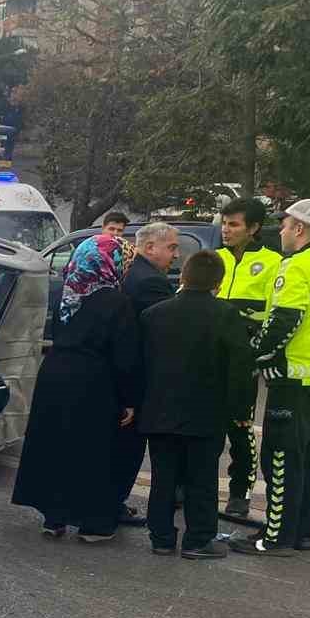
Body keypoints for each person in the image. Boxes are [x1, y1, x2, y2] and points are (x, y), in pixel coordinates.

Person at [229, 199, 310, 556]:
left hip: (295, 378)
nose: (282, 231)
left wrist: (255, 353)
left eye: (285, 225)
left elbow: (285, 321)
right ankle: (301, 532)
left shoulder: (298, 266)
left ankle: (275, 537)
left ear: (300, 229)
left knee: (281, 459)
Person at [13, 231, 140, 541]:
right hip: (94, 381)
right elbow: (125, 354)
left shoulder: (68, 295)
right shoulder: (117, 301)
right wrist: (130, 398)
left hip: (55, 374)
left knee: (57, 446)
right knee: (93, 451)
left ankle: (53, 517)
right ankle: (92, 523)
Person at [138, 251, 255, 559]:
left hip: (160, 411)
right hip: (207, 414)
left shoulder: (154, 314)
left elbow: (142, 364)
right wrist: (241, 412)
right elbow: (240, 369)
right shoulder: (227, 315)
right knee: (201, 479)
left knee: (163, 477)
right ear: (218, 282)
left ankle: (161, 537)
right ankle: (198, 539)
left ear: (183, 277)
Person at [216, 197, 283, 519]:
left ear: (254, 228)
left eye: (233, 225)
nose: (225, 230)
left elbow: (273, 315)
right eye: (224, 223)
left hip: (242, 363)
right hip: (206, 361)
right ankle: (189, 486)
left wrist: (252, 347)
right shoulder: (213, 259)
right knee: (202, 425)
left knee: (240, 428)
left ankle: (240, 493)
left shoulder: (274, 263)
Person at [111, 222, 182, 526]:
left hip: (121, 373)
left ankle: (111, 500)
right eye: (172, 248)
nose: (176, 255)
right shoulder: (151, 282)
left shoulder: (131, 271)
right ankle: (114, 502)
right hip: (138, 377)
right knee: (128, 449)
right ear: (150, 247)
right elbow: (163, 333)